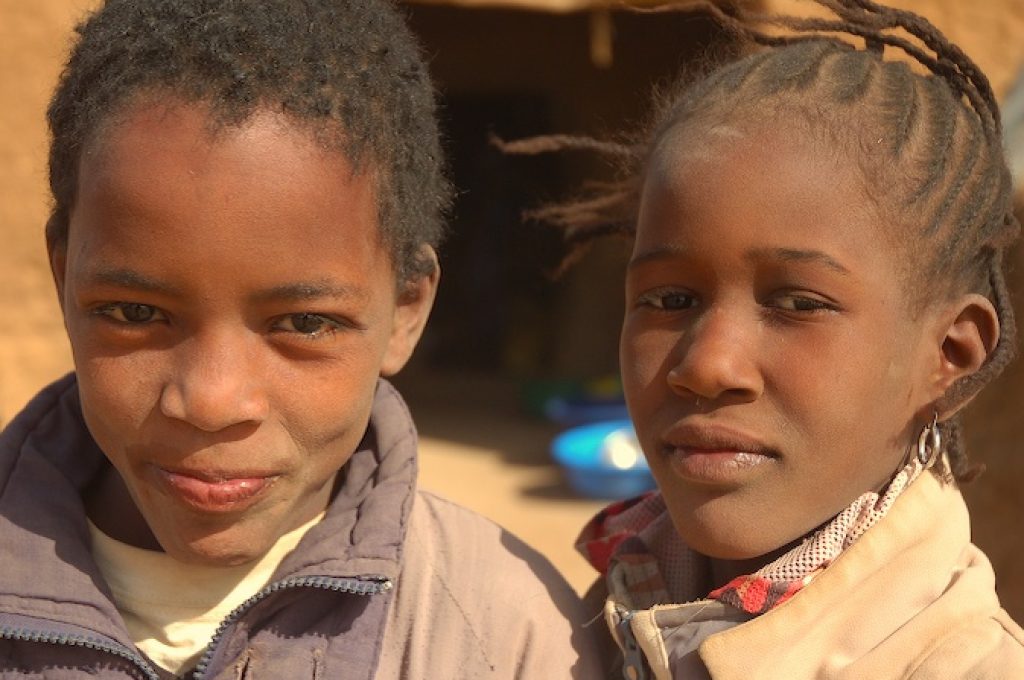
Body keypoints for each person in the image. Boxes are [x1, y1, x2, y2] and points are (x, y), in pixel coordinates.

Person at [0, 1, 600, 677]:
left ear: (405, 310)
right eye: (135, 313)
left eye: (305, 323)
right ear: (63, 279)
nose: (212, 401)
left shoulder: (500, 636)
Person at [504, 0, 1024, 677]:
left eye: (797, 303)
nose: (708, 365)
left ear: (947, 356)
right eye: (670, 299)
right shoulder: (590, 622)